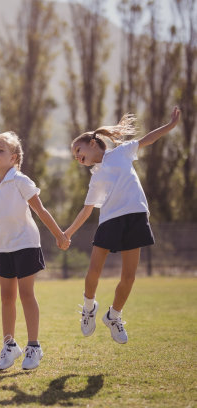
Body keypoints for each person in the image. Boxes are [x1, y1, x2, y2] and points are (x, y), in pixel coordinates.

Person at [65, 107, 181, 344]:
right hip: (110, 221)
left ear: (93, 143)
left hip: (136, 216)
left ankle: (114, 316)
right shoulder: (95, 177)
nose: (77, 157)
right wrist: (66, 233)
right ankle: (89, 308)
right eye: (74, 156)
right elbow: (87, 210)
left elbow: (148, 139)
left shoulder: (122, 152)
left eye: (79, 150)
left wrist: (169, 126)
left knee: (129, 277)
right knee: (93, 271)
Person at [0, 132, 69, 371]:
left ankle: (34, 347)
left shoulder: (21, 181)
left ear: (14, 157)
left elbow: (41, 210)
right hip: (3, 246)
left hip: (26, 243)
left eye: (0, 151)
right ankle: (9, 345)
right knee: (6, 297)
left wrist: (60, 234)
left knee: (26, 295)